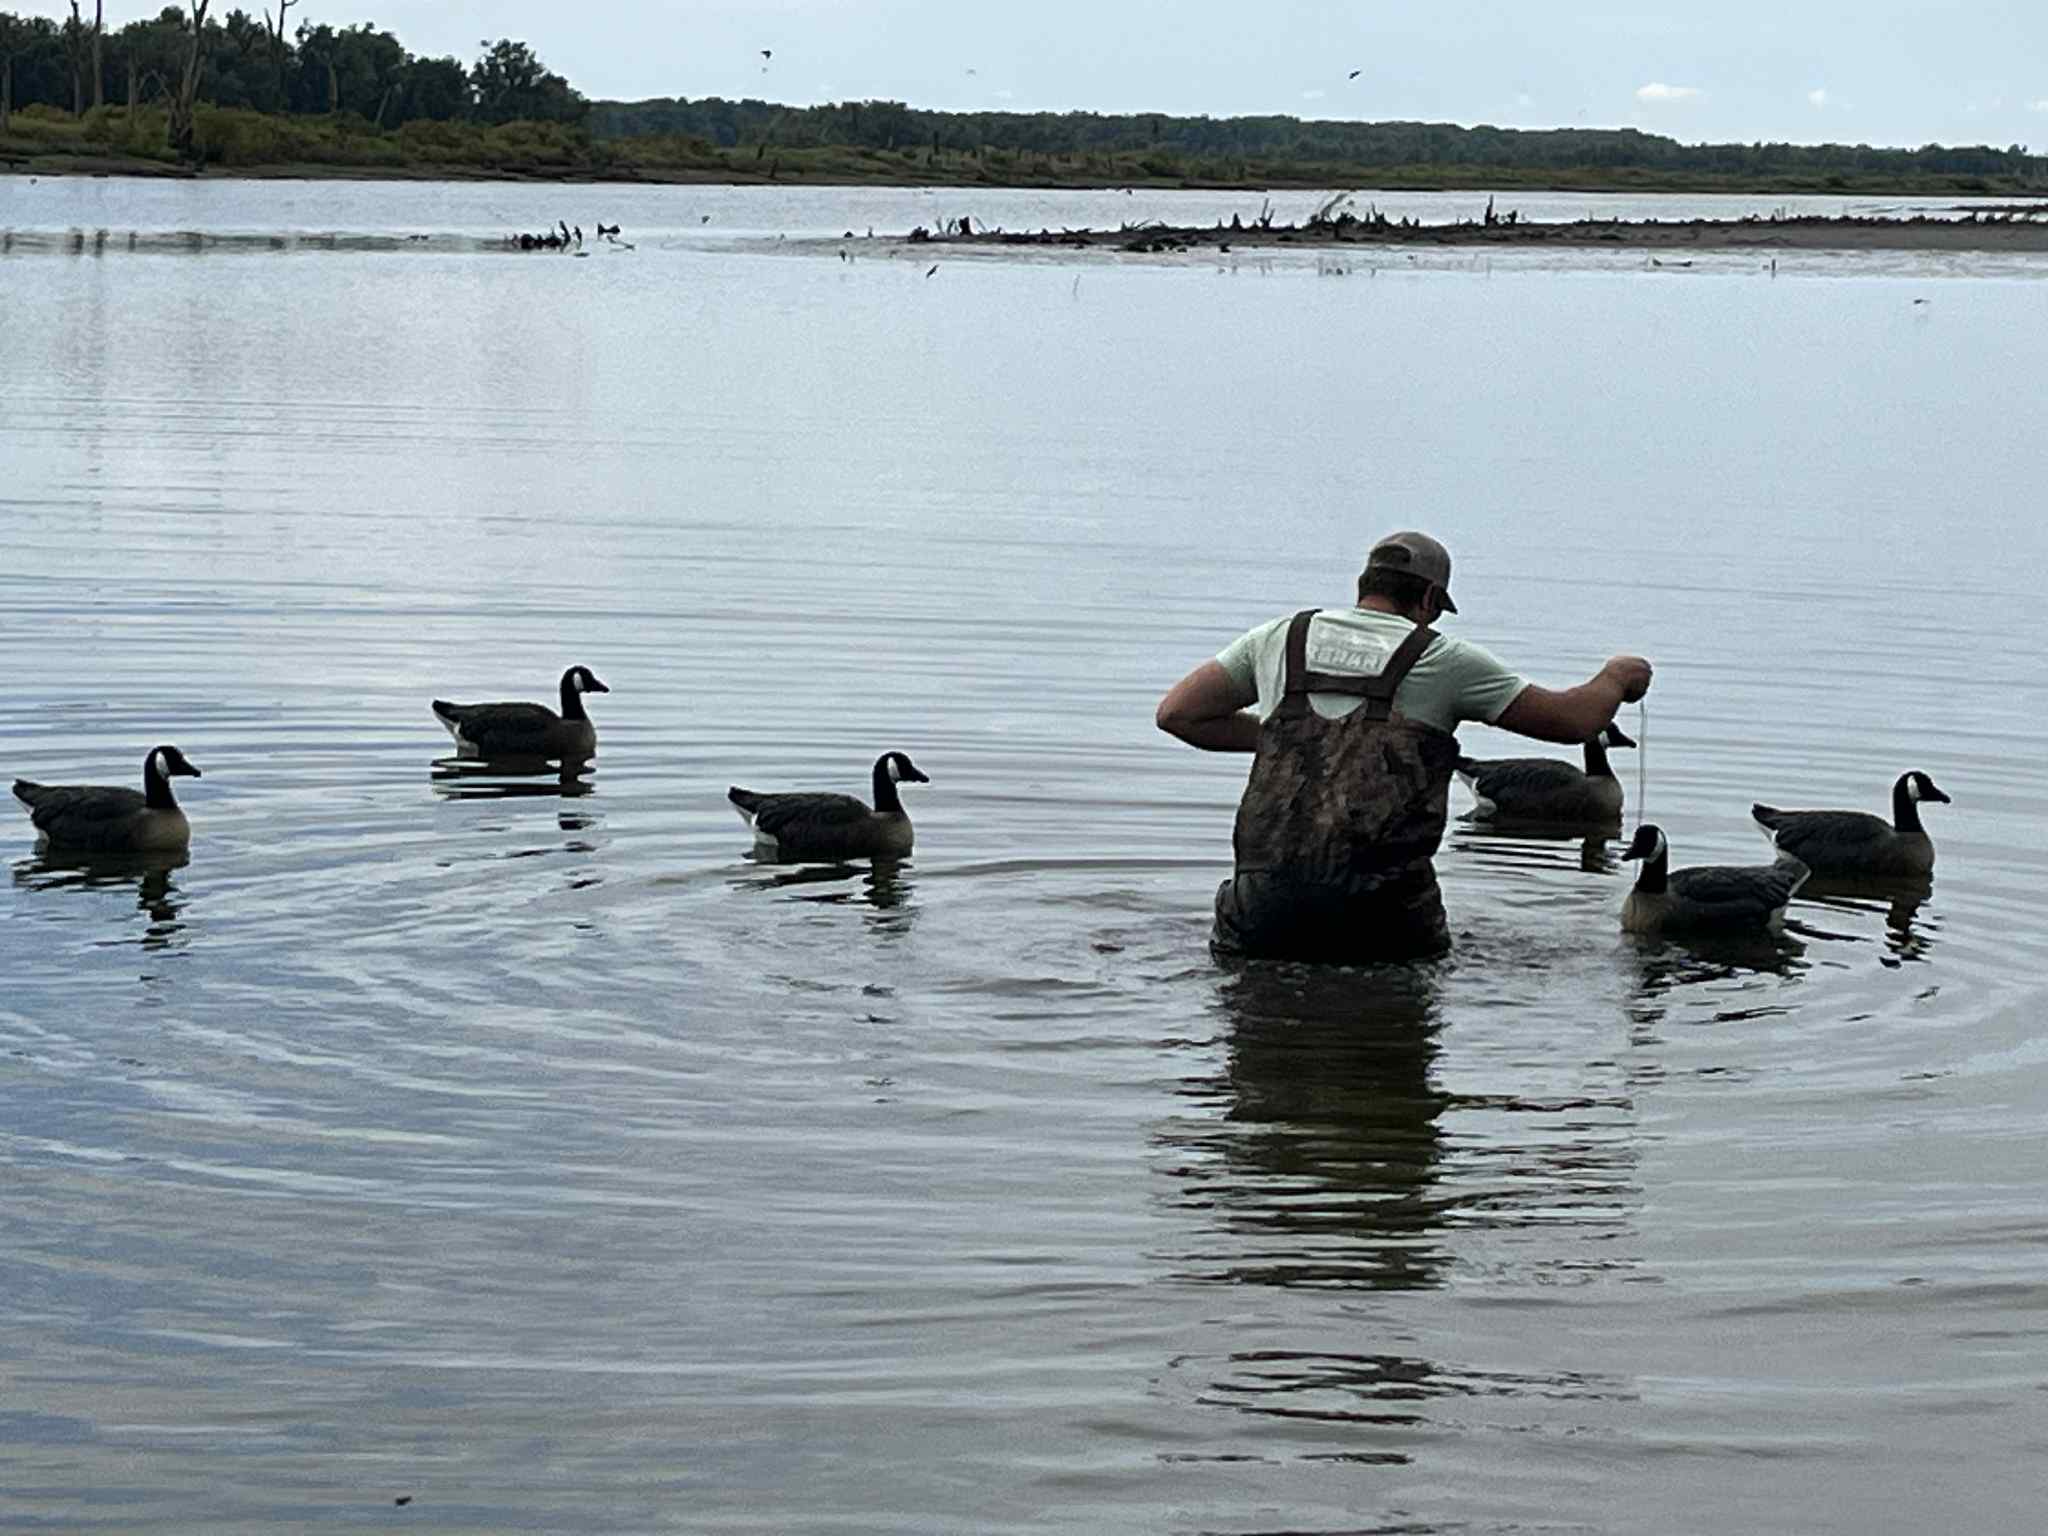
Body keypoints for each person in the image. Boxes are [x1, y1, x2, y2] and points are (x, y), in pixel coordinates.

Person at [1156, 531, 1652, 963]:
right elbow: (1573, 722)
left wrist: (1284, 738)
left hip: (1259, 918)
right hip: (1385, 926)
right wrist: (1615, 677)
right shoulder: (1444, 658)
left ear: (1364, 586)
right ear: (1431, 599)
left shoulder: (1278, 638)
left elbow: (1177, 714)